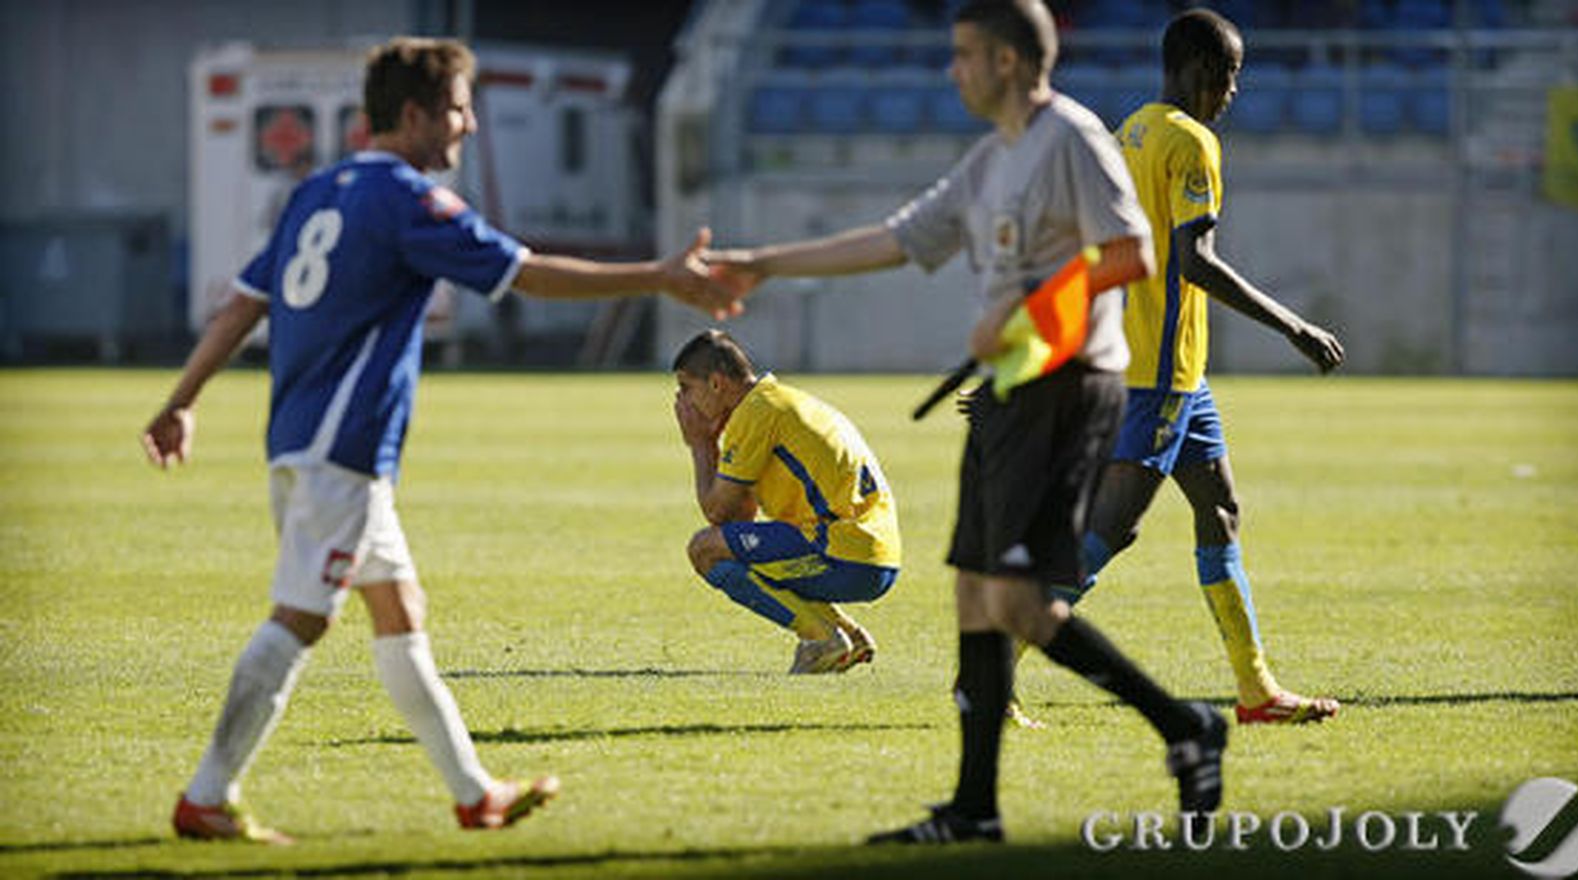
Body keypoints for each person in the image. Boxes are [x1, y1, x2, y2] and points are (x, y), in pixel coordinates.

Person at [142, 37, 742, 843]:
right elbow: (525, 273)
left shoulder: (317, 191)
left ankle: (474, 794)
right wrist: (658, 276)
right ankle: (207, 796)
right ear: (416, 114)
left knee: (400, 609)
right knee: (302, 617)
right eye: (458, 109)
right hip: (341, 451)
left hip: (302, 438)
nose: (468, 125)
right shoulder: (409, 201)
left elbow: (244, 304)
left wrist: (181, 401)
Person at [707, 1, 1227, 843]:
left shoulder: (1071, 139)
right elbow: (895, 239)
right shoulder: (993, 158)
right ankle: (974, 810)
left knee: (1018, 601)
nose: (952, 70)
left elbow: (1131, 253)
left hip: (1066, 390)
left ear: (1009, 62)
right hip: (1006, 395)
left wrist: (1026, 315)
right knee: (976, 595)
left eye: (964, 55)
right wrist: (761, 264)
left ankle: (1185, 725)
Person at [1063, 8, 1345, 725]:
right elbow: (1196, 262)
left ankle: (1256, 691)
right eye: (1230, 75)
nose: (1233, 91)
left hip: (1173, 371)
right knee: (1111, 530)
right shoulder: (1191, 141)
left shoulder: (1131, 131)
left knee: (1220, 510)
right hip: (1158, 373)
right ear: (1199, 69)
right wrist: (1293, 326)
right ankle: (993, 664)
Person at [672, 330, 899, 674]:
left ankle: (821, 639)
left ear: (716, 384)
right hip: (875, 554)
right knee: (728, 547)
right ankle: (849, 637)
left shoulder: (755, 414)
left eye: (686, 387)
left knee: (704, 550)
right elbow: (737, 520)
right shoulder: (776, 402)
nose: (681, 400)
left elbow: (716, 511)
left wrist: (701, 446)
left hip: (844, 555)